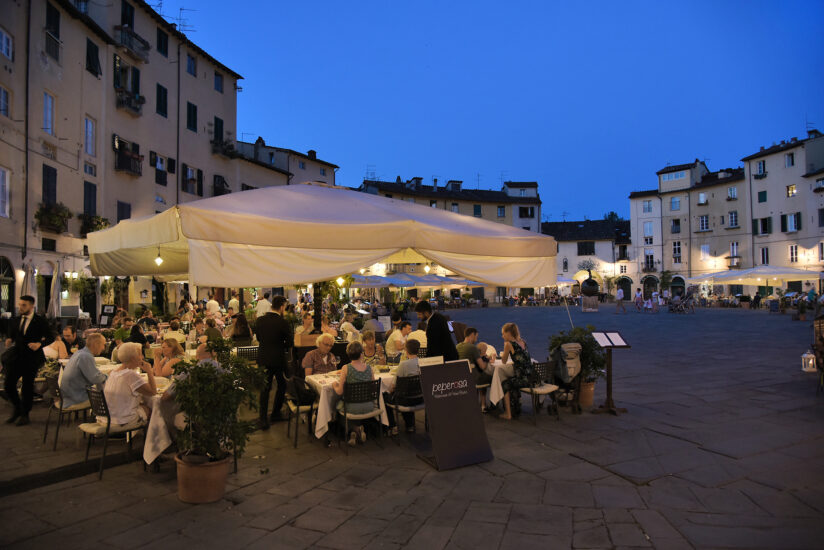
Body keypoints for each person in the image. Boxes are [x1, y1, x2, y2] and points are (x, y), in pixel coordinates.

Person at [4, 296, 53, 425]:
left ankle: (25, 414)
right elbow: (12, 333)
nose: (20, 307)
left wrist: (39, 344)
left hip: (32, 358)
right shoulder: (16, 319)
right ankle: (17, 408)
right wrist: (9, 339)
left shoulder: (40, 321)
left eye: (24, 305)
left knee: (27, 386)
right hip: (17, 356)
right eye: (20, 305)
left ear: (32, 306)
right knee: (8, 384)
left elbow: (51, 337)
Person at [256, 295, 292, 428]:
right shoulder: (283, 322)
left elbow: (259, 338)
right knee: (282, 385)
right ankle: (276, 413)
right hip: (278, 359)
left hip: (263, 357)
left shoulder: (260, 320)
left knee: (265, 388)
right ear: (282, 307)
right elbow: (289, 343)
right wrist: (279, 344)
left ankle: (263, 418)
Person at [333, 341, 375, 446]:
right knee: (348, 405)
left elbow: (339, 391)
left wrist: (334, 385)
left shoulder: (346, 368)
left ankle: (355, 429)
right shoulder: (369, 368)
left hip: (352, 408)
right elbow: (373, 388)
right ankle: (355, 431)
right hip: (369, 406)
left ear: (348, 354)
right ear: (362, 353)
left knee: (337, 407)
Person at [104, 342, 156, 425]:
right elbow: (153, 392)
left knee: (140, 403)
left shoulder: (112, 373)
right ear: (133, 358)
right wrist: (149, 371)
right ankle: (152, 437)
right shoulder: (130, 375)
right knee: (152, 409)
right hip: (122, 420)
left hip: (107, 417)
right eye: (140, 354)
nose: (142, 357)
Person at [384, 338, 423, 435]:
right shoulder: (423, 362)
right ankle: (410, 425)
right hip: (421, 398)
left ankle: (392, 426)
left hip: (405, 400)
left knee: (384, 395)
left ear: (406, 350)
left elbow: (394, 385)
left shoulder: (404, 365)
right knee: (406, 391)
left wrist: (387, 391)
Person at [60, 333, 108, 409]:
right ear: (96, 344)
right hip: (76, 399)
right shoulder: (86, 356)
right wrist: (107, 376)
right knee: (108, 399)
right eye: (103, 345)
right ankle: (105, 420)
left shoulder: (79, 353)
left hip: (68, 396)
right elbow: (95, 378)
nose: (103, 348)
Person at [499, 322, 532, 420]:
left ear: (508, 333)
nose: (502, 336)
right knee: (512, 382)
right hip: (532, 377)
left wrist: (505, 350)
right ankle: (516, 408)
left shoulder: (508, 344)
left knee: (505, 384)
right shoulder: (523, 341)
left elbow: (503, 361)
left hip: (523, 379)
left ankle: (508, 414)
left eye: (503, 333)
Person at [457, 328, 492, 406]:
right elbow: (482, 366)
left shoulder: (457, 346)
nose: (476, 339)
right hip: (474, 378)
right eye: (476, 336)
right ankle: (488, 405)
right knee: (494, 378)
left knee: (479, 374)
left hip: (462, 378)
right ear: (472, 335)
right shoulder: (473, 348)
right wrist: (487, 359)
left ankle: (475, 403)